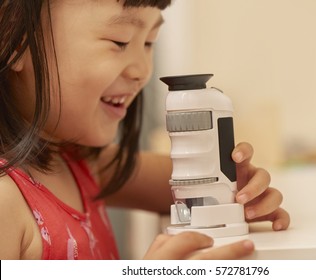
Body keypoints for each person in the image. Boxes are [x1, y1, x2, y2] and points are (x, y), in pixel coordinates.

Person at [0, 0, 290, 260]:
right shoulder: (6, 201)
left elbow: (188, 186)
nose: (141, 70)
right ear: (16, 41)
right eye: (120, 41)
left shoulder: (83, 164)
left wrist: (240, 190)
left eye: (149, 42)